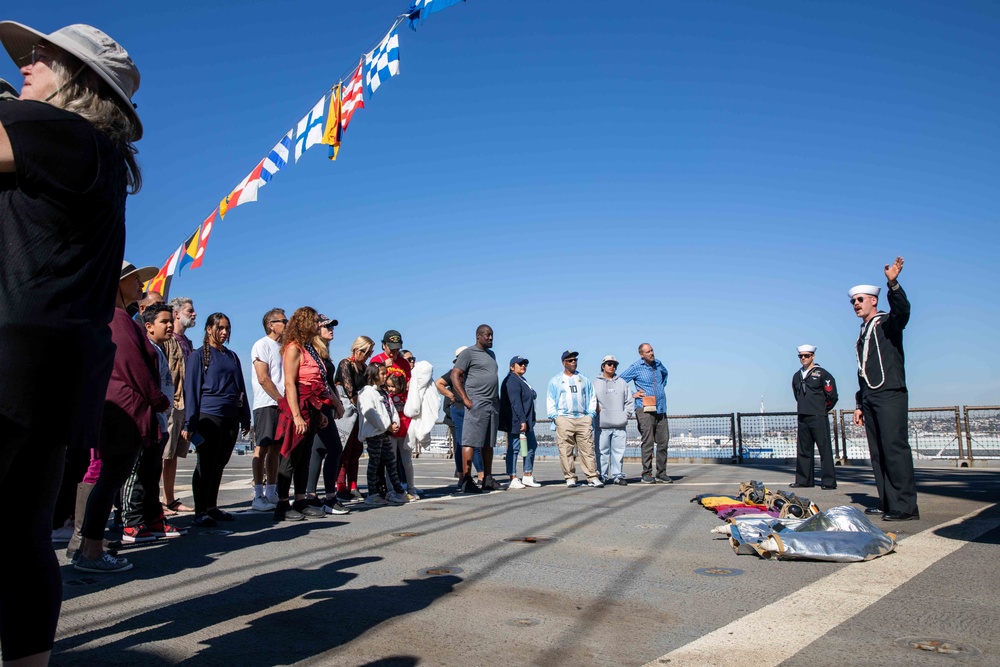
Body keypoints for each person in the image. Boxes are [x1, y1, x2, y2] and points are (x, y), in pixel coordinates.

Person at [0, 20, 143, 664]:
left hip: (10, 355)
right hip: (58, 371)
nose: (26, 63)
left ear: (77, 79)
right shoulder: (100, 155)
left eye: (42, 56)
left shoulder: (54, 129)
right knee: (23, 536)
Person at [76, 262, 169, 570]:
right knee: (110, 479)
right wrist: (158, 401)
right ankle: (90, 550)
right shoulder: (118, 318)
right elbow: (133, 367)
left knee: (109, 479)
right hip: (125, 410)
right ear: (117, 284)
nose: (140, 286)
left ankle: (88, 547)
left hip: (120, 408)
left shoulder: (115, 317)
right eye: (134, 281)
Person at [851, 256, 919, 521]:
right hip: (870, 396)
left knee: (894, 448)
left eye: (860, 300)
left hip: (890, 393)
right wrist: (859, 403)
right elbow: (862, 369)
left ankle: (905, 506)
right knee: (878, 452)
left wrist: (893, 284)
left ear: (873, 300)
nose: (855, 304)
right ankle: (887, 501)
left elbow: (903, 313)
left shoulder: (887, 323)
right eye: (853, 301)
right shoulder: (864, 331)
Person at [119, 303, 187, 543]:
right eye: (164, 322)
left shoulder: (160, 349)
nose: (170, 325)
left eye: (171, 321)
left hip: (161, 418)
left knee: (151, 474)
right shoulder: (145, 348)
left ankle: (153, 518)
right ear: (148, 326)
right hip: (147, 418)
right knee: (137, 474)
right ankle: (132, 523)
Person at [182, 313, 252, 527]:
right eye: (220, 328)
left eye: (227, 328)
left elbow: (240, 387)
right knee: (205, 462)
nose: (224, 332)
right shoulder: (198, 356)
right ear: (208, 329)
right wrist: (189, 423)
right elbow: (191, 390)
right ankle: (200, 510)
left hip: (230, 416)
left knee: (220, 463)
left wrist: (245, 417)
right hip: (207, 417)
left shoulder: (231, 356)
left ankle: (212, 507)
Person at [271, 307, 334, 521]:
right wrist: (297, 416)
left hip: (312, 407)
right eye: (316, 321)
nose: (319, 325)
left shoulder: (310, 348)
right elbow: (290, 383)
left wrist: (320, 412)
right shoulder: (293, 348)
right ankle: (282, 504)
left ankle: (300, 500)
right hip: (297, 406)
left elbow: (317, 381)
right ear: (305, 323)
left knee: (304, 458)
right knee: (290, 455)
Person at [304, 314, 350, 515]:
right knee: (334, 448)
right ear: (316, 329)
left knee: (319, 450)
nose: (331, 329)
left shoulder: (323, 352)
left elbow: (329, 382)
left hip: (326, 405)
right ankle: (329, 497)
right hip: (317, 405)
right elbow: (319, 382)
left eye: (332, 326)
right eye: (327, 326)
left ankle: (312, 496)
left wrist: (336, 403)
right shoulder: (311, 351)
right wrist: (334, 403)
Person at [451, 325, 502, 493]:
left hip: (492, 404)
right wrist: (466, 399)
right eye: (487, 335)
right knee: (471, 441)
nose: (490, 338)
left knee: (489, 443)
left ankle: (487, 478)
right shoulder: (468, 353)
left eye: (492, 335)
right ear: (478, 336)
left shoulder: (491, 355)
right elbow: (455, 374)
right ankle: (466, 479)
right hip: (477, 402)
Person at [162, 296, 197, 514]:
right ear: (176, 313)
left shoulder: (188, 343)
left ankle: (170, 498)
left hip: (185, 404)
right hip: (170, 403)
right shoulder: (167, 340)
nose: (194, 314)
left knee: (174, 454)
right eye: (189, 310)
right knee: (164, 453)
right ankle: (160, 500)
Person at [547, 351, 602, 488]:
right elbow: (550, 399)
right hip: (565, 419)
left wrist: (590, 415)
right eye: (570, 360)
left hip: (583, 418)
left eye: (575, 360)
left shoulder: (584, 379)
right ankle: (570, 477)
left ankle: (592, 476)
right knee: (565, 450)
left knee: (588, 449)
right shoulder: (556, 380)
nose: (573, 362)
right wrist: (556, 417)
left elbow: (591, 397)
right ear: (563, 363)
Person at [249, 307, 286, 511]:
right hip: (267, 403)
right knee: (261, 447)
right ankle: (258, 494)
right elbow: (263, 377)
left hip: (281, 403)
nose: (286, 324)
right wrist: (280, 399)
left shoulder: (282, 347)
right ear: (271, 324)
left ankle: (271, 492)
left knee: (275, 449)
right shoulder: (261, 345)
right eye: (283, 320)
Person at [619, 343, 671, 484]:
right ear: (642, 354)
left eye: (652, 350)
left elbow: (665, 376)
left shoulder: (659, 364)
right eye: (647, 352)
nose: (651, 354)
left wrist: (659, 389)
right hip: (644, 408)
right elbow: (619, 382)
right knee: (647, 441)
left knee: (663, 442)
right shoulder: (636, 367)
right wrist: (632, 394)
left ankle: (661, 473)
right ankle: (646, 473)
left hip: (661, 408)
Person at [358, 364, 408, 506]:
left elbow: (391, 408)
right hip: (374, 433)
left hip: (384, 433)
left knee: (391, 463)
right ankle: (372, 494)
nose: (385, 376)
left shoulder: (383, 392)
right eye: (382, 373)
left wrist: (394, 423)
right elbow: (370, 413)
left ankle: (398, 491)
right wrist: (387, 426)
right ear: (373, 374)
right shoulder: (366, 392)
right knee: (374, 463)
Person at [791, 345, 838, 490]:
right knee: (804, 450)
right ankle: (804, 480)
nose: (803, 358)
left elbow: (832, 396)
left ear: (813, 356)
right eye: (801, 356)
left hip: (818, 416)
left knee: (824, 450)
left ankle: (828, 482)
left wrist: (822, 409)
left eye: (806, 355)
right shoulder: (796, 376)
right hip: (803, 416)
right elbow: (797, 395)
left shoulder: (823, 374)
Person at [334, 335, 375, 502]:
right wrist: (360, 404)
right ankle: (340, 485)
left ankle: (353, 484)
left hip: (359, 410)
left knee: (356, 450)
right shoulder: (346, 364)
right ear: (358, 350)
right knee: (344, 449)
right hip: (346, 410)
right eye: (367, 352)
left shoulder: (363, 367)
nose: (368, 356)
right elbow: (349, 389)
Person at [500, 356, 541, 489]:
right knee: (515, 448)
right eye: (520, 364)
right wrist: (522, 420)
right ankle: (512, 477)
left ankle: (527, 475)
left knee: (531, 446)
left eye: (525, 364)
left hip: (527, 421)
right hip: (516, 421)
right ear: (512, 367)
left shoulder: (521, 379)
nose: (523, 366)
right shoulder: (512, 380)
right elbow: (515, 402)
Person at [594, 355, 634, 485]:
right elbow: (591, 401)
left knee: (618, 452)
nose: (612, 366)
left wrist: (625, 415)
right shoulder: (595, 383)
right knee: (601, 452)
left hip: (619, 424)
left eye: (614, 364)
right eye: (609, 364)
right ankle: (603, 475)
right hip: (601, 424)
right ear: (603, 366)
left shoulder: (622, 383)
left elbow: (629, 401)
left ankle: (618, 476)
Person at [386, 368, 418, 500]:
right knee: (391, 462)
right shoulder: (387, 396)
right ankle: (391, 489)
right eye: (388, 386)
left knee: (407, 461)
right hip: (392, 431)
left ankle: (411, 487)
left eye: (393, 386)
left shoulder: (409, 395)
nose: (391, 389)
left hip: (406, 431)